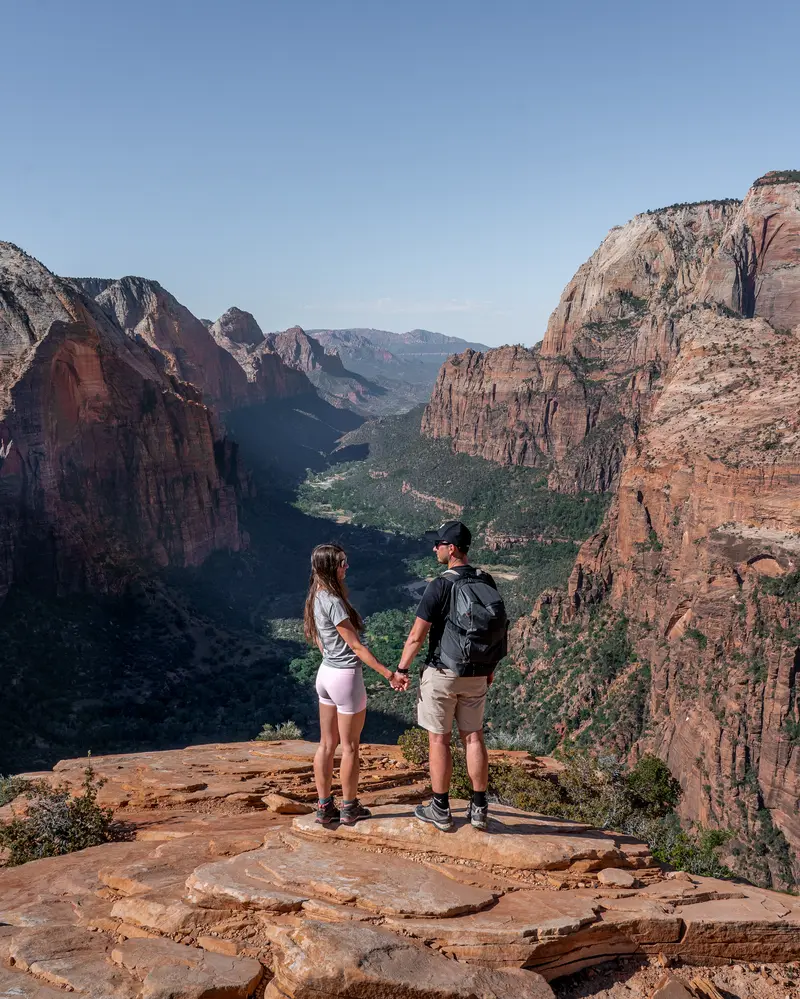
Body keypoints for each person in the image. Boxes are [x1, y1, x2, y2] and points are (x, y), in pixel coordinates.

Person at [394, 520, 507, 832]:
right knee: (473, 737)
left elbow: (417, 635)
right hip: (477, 674)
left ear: (452, 549)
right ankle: (479, 807)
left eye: (439, 544)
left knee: (439, 739)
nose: (434, 548)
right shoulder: (487, 580)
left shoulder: (440, 584)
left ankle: (440, 808)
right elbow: (494, 631)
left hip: (443, 673)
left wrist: (402, 669)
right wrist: (490, 669)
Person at [304, 543, 405, 826]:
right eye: (342, 562)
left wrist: (329, 654)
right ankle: (349, 807)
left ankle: (324, 807)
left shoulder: (316, 595)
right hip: (345, 678)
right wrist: (389, 675)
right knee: (349, 747)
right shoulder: (334, 602)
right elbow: (357, 647)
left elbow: (317, 637)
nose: (346, 566)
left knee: (326, 745)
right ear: (329, 567)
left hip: (325, 675)